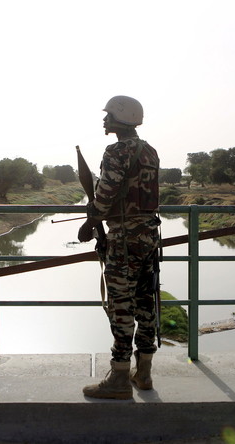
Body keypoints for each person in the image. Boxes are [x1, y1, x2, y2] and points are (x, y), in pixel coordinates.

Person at [78, 95, 161, 400]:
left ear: (120, 119)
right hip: (150, 237)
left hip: (125, 240)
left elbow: (105, 194)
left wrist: (91, 222)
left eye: (108, 115)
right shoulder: (149, 151)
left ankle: (119, 378)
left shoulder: (117, 150)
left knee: (121, 307)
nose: (104, 120)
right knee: (145, 302)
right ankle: (145, 372)